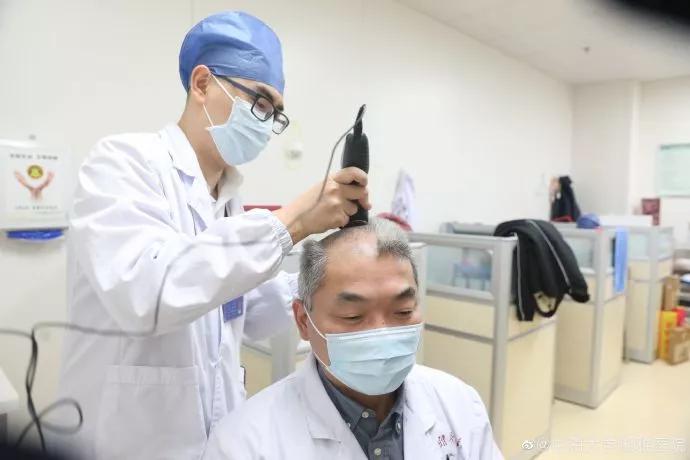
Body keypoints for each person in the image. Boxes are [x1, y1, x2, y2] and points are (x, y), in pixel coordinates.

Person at [52, 11, 369, 460]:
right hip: (120, 442)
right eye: (260, 103)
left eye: (275, 113)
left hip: (213, 442)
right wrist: (293, 222)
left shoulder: (228, 199)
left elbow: (243, 312)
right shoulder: (122, 163)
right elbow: (146, 292)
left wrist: (328, 271)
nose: (267, 123)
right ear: (202, 83)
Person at [203, 218, 503, 460]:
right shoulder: (243, 444)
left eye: (402, 311)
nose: (381, 331)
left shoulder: (459, 403)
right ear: (304, 321)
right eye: (353, 316)